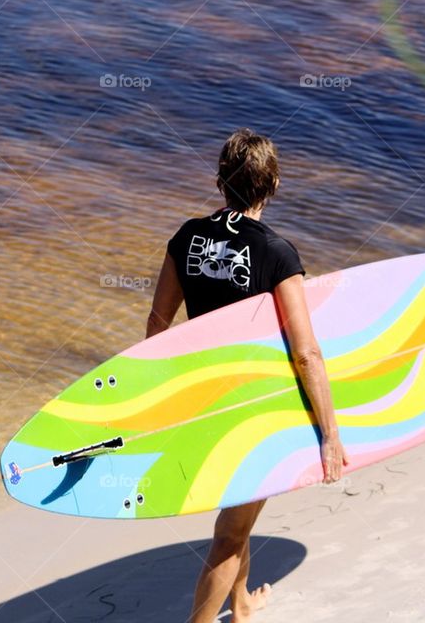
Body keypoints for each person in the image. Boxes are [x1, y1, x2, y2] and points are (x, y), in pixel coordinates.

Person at [146, 128, 348, 623]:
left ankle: (239, 608)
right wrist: (329, 433)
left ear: (220, 182)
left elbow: (158, 326)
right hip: (255, 408)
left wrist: (166, 398)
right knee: (231, 535)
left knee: (242, 516)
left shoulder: (186, 237)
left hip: (203, 400)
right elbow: (306, 354)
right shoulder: (278, 253)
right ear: (273, 184)